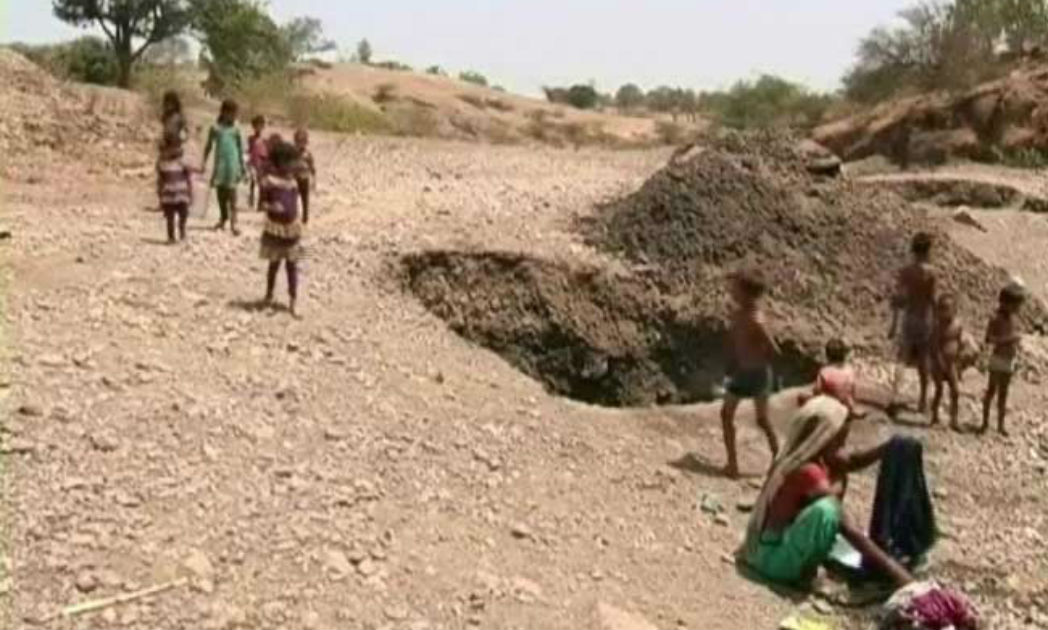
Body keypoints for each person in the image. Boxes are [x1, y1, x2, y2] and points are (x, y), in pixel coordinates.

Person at [740, 396, 914, 589]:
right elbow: (848, 528)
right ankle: (797, 573)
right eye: (839, 442)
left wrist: (886, 449)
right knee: (828, 510)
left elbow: (850, 461)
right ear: (822, 439)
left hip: (762, 551)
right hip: (770, 561)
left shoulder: (797, 457)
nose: (843, 449)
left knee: (835, 491)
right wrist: (899, 576)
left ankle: (804, 561)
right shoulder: (808, 471)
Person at [720, 269, 781, 478]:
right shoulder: (739, 315)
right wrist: (733, 361)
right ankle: (732, 464)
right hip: (742, 372)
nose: (732, 292)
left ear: (746, 293)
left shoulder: (756, 319)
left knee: (762, 419)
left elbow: (773, 349)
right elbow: (736, 341)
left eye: (735, 288)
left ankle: (778, 458)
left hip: (755, 374)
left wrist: (757, 360)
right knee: (727, 415)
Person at [888, 232, 937, 415]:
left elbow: (898, 298)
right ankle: (923, 401)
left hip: (909, 318)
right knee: (924, 360)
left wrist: (893, 323)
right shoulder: (931, 273)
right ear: (928, 250)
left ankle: (894, 396)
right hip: (925, 319)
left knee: (902, 358)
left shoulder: (906, 272)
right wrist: (938, 323)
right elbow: (932, 299)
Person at [259, 140, 304, 317]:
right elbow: (262, 204)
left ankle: (293, 300)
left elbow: (295, 203)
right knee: (274, 264)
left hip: (292, 230)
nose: (294, 165)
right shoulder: (268, 182)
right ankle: (269, 295)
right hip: (275, 229)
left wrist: (299, 221)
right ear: (282, 162)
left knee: (293, 265)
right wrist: (272, 207)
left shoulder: (293, 182)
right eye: (292, 162)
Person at [981, 283, 1025, 436]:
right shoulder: (995, 319)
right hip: (998, 359)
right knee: (991, 391)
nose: (1018, 308)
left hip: (1009, 359)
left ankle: (1000, 425)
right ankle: (985, 423)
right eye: (1016, 305)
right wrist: (1009, 339)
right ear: (1007, 303)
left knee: (1004, 394)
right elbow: (988, 339)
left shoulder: (1014, 319)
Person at [202, 99, 245, 235]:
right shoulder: (216, 128)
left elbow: (240, 148)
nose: (234, 116)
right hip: (220, 164)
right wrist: (203, 161)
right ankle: (223, 217)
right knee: (220, 193)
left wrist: (242, 166)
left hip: (232, 165)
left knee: (232, 194)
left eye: (236, 114)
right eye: (232, 113)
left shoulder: (236, 129)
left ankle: (234, 222)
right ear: (224, 112)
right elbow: (208, 146)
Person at [930, 294, 965, 430]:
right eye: (942, 309)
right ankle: (934, 417)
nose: (945, 312)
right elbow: (935, 346)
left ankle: (954, 420)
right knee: (939, 390)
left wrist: (960, 357)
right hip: (939, 363)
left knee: (955, 391)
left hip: (952, 363)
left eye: (948, 308)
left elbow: (959, 340)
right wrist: (940, 361)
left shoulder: (957, 324)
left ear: (954, 309)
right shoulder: (937, 327)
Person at [156, 131, 193, 244]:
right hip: (173, 193)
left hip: (177, 193)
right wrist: (160, 194)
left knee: (179, 215)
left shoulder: (181, 162)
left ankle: (179, 234)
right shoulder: (163, 163)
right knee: (173, 217)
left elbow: (188, 176)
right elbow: (160, 180)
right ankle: (174, 236)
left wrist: (190, 191)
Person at [293, 128, 316, 225]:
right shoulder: (293, 153)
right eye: (299, 141)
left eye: (303, 141)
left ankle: (305, 218)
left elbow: (312, 167)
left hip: (305, 178)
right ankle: (293, 216)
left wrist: (314, 180)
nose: (301, 144)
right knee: (293, 199)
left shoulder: (307, 154)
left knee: (305, 199)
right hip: (295, 178)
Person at [247, 115, 268, 209]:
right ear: (253, 126)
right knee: (252, 182)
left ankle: (260, 203)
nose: (258, 128)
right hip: (253, 162)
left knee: (262, 184)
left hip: (262, 163)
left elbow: (266, 152)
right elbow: (249, 150)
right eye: (256, 125)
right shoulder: (251, 139)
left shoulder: (264, 139)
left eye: (260, 125)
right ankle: (251, 200)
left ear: (263, 126)